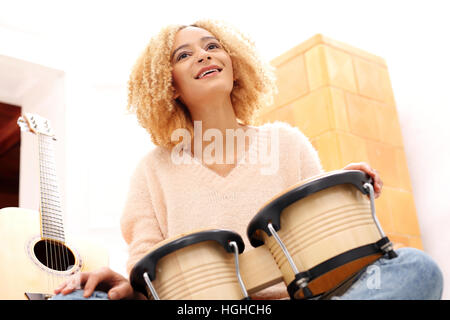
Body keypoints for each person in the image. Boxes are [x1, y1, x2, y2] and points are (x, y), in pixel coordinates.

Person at [52, 19, 443, 300]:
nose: (203, 56)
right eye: (184, 55)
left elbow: (324, 246)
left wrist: (342, 195)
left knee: (416, 267)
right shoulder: (152, 170)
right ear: (169, 86)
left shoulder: (286, 142)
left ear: (234, 66)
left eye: (212, 46)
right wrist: (121, 283)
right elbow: (147, 273)